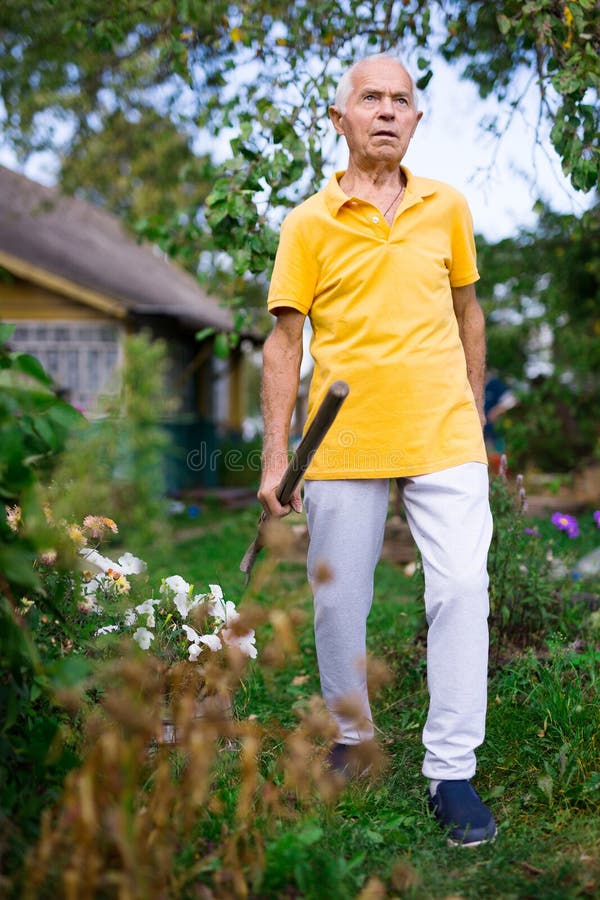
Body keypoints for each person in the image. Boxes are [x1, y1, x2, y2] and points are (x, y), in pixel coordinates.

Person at [258, 53, 497, 847]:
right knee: (336, 602)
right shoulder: (307, 223)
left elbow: (469, 314)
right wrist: (273, 459)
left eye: (402, 100)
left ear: (417, 121)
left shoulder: (448, 208)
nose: (388, 111)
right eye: (371, 98)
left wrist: (471, 411)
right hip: (342, 439)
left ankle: (451, 770)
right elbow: (284, 342)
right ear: (341, 119)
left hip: (443, 432)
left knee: (462, 587)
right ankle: (352, 738)